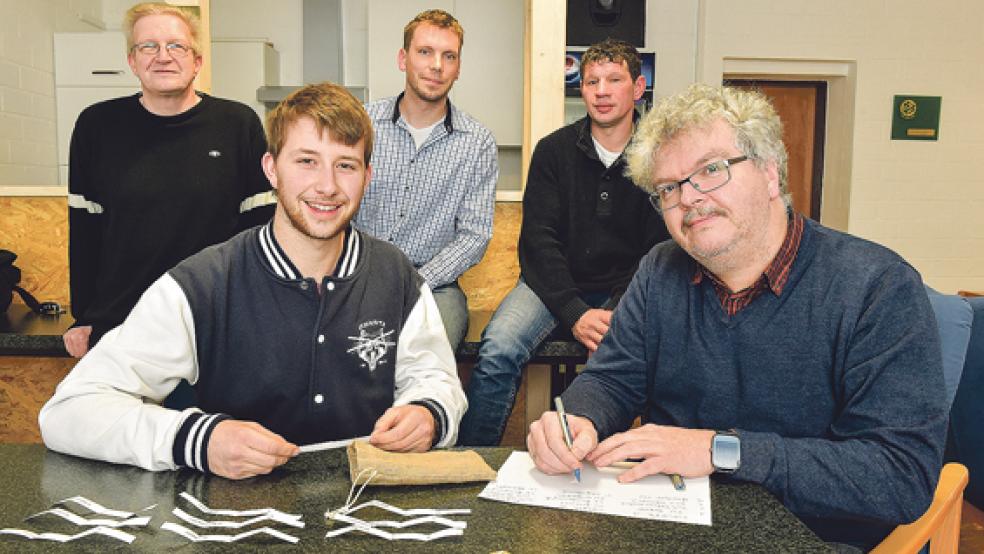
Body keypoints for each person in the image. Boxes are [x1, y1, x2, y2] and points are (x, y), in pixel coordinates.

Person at [526, 84, 947, 550]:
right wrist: (579, 419)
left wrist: (719, 451)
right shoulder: (659, 269)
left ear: (770, 174)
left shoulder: (877, 287)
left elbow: (899, 476)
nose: (688, 199)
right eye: (669, 187)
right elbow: (613, 380)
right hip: (672, 524)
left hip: (809, 538)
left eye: (711, 170)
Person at [40, 82, 467, 480]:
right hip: (234, 519)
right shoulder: (201, 284)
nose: (327, 186)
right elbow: (70, 411)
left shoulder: (396, 275)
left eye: (346, 166)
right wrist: (197, 441)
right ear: (271, 169)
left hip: (364, 510)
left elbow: (436, 379)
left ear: (366, 178)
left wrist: (428, 413)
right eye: (306, 162)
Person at [458, 39, 669, 446]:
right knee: (498, 349)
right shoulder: (553, 150)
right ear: (582, 89)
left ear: (638, 88)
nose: (602, 91)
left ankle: (596, 468)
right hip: (549, 286)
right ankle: (472, 463)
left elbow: (655, 251)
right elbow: (538, 241)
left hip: (626, 290)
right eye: (592, 81)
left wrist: (614, 315)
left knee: (615, 363)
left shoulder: (660, 157)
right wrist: (574, 312)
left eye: (614, 80)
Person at [63, 2, 274, 358]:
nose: (163, 56)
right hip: (123, 326)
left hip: (213, 323)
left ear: (197, 61)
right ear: (132, 60)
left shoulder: (238, 124)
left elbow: (260, 232)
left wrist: (260, 313)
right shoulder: (96, 126)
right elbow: (85, 230)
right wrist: (83, 315)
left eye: (177, 46)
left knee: (210, 416)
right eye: (149, 46)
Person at [355, 9, 497, 351]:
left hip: (435, 284)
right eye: (425, 52)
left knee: (431, 358)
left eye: (449, 56)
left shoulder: (477, 142)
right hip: (358, 272)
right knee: (348, 357)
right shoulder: (362, 123)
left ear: (458, 68)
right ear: (403, 59)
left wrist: (417, 282)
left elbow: (474, 236)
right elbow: (338, 202)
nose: (437, 65)